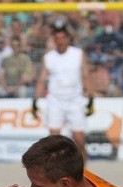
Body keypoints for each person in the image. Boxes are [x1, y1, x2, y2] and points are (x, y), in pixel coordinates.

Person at [32, 19, 93, 162]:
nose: (60, 41)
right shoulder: (48, 57)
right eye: (57, 38)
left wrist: (91, 98)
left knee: (79, 138)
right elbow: (42, 79)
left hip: (75, 99)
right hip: (55, 100)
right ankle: (56, 170)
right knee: (53, 139)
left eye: (62, 37)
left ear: (68, 38)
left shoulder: (78, 54)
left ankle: (84, 168)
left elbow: (86, 75)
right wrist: (34, 100)